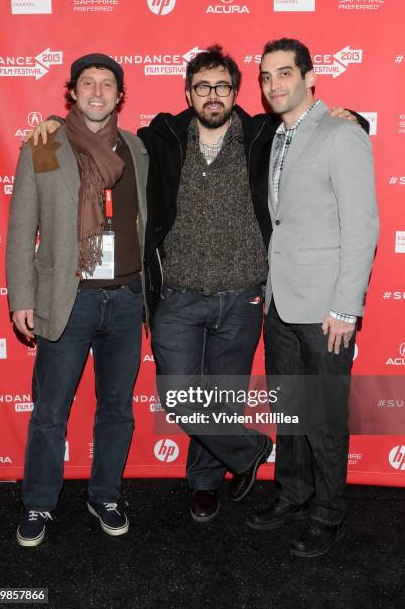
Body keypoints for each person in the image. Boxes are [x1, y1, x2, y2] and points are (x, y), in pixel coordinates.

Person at [29, 45, 365, 525]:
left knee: (223, 395)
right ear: (188, 93)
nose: (213, 95)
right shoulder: (160, 138)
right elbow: (97, 136)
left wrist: (352, 118)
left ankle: (206, 483)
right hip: (179, 296)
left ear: (235, 93)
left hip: (243, 296)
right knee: (181, 395)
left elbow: (319, 135)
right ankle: (249, 450)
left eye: (223, 86)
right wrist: (53, 123)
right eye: (203, 86)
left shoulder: (262, 134)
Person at [6, 53, 148, 547]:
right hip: (68, 298)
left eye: (106, 84)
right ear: (72, 92)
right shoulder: (46, 143)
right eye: (87, 83)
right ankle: (39, 503)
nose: (96, 92)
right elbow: (23, 224)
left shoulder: (135, 148)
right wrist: (21, 295)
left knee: (117, 407)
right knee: (50, 409)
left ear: (119, 95)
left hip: (128, 298)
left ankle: (104, 493)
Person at [246, 38, 379, 558]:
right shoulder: (273, 136)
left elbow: (362, 225)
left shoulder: (341, 133)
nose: (274, 84)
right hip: (280, 301)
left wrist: (347, 307)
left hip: (326, 308)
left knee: (323, 416)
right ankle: (293, 493)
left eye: (284, 73)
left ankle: (328, 513)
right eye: (265, 76)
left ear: (310, 76)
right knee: (291, 410)